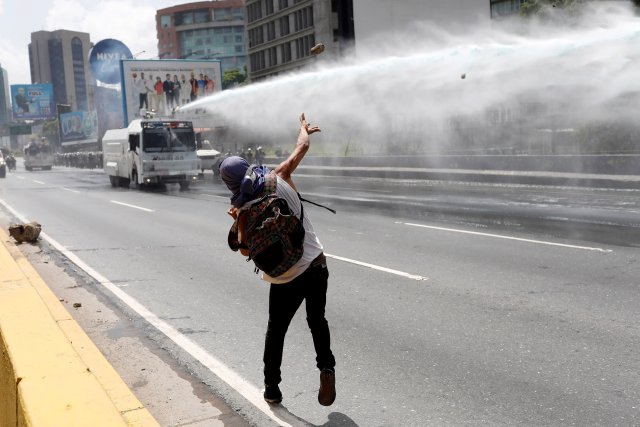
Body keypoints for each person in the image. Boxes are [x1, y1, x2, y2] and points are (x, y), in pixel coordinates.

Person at [219, 113, 336, 407]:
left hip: (284, 277)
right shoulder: (279, 175)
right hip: (315, 263)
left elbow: (245, 251)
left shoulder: (243, 208)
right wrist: (303, 130)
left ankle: (272, 388)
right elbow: (302, 148)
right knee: (316, 320)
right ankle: (326, 368)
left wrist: (239, 219)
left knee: (277, 329)